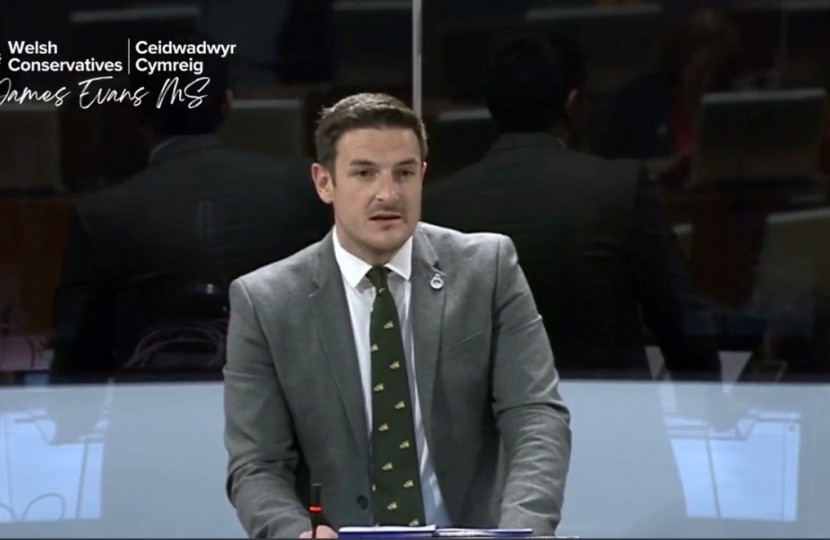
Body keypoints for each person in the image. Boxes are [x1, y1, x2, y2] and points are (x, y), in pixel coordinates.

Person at [223, 93, 571, 538]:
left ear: (422, 176)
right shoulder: (266, 302)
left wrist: (524, 529)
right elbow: (257, 464)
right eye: (364, 173)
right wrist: (294, 532)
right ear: (324, 182)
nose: (388, 194)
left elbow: (536, 416)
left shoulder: (488, 269)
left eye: (404, 173)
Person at [423, 33, 722, 381]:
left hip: (492, 414)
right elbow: (678, 319)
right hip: (611, 411)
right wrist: (708, 401)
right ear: (571, 102)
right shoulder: (618, 188)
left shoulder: (436, 206)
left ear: (490, 107)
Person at [50, 33, 330, 380]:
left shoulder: (100, 215)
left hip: (147, 407)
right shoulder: (303, 189)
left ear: (136, 108)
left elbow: (76, 362)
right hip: (275, 401)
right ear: (227, 102)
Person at [598, 9, 740, 186]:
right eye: (700, 73)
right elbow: (608, 171)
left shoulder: (733, 102)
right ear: (680, 63)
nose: (708, 82)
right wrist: (671, 165)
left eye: (717, 72)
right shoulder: (638, 101)